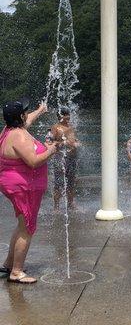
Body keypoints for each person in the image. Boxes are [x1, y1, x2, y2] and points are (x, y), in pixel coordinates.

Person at [0, 98, 57, 283]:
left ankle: (9, 263)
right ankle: (16, 272)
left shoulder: (10, 130)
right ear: (20, 116)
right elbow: (33, 161)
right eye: (26, 111)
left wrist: (40, 110)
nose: (28, 113)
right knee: (27, 228)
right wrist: (51, 150)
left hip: (15, 184)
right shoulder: (20, 136)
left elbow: (28, 120)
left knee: (21, 224)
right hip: (24, 186)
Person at [51, 107, 79, 211]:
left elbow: (74, 140)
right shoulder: (55, 128)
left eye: (69, 115)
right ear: (60, 116)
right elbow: (50, 143)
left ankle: (71, 204)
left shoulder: (71, 127)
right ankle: (56, 207)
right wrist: (64, 143)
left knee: (71, 182)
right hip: (60, 159)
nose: (68, 117)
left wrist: (77, 143)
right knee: (58, 183)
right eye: (66, 115)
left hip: (72, 158)